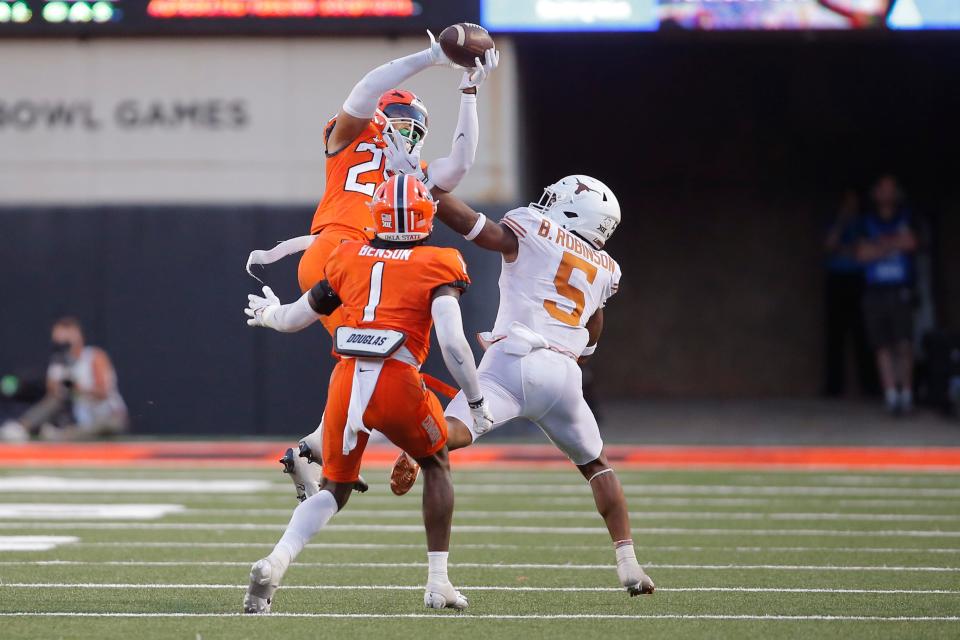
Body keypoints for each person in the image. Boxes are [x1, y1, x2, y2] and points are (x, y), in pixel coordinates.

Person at [385, 139, 654, 596]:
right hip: (565, 376)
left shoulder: (534, 229)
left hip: (513, 361)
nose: (548, 203)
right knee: (598, 467)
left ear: (575, 211)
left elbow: (476, 228)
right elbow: (594, 323)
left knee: (451, 432)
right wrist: (581, 354)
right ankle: (629, 564)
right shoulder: (606, 267)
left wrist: (424, 184)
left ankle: (418, 445)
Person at [243, 31, 499, 500]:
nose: (409, 133)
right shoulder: (352, 138)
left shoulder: (410, 177)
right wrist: (433, 57)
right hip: (346, 255)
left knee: (368, 361)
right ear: (380, 120)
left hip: (364, 262)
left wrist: (468, 92)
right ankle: (338, 452)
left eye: (414, 126)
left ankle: (317, 450)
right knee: (382, 362)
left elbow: (460, 165)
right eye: (400, 122)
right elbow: (366, 88)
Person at [241, 174, 493, 613]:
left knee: (334, 489)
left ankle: (276, 561)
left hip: (347, 379)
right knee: (435, 462)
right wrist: (475, 401)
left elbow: (295, 318)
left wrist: (266, 314)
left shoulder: (346, 254)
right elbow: (453, 343)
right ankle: (438, 583)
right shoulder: (440, 261)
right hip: (398, 379)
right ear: (425, 218)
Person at [0, 317, 127, 442]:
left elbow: (103, 393)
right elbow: (53, 395)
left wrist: (79, 388)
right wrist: (61, 381)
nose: (63, 345)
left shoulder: (94, 356)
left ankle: (62, 435)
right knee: (56, 400)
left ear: (78, 337)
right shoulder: (59, 362)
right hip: (81, 419)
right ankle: (21, 427)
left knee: (103, 425)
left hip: (109, 416)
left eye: (66, 341)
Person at [857, 175, 918, 414]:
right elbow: (861, 255)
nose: (887, 193)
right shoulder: (866, 221)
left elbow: (912, 243)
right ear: (875, 193)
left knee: (904, 343)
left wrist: (879, 247)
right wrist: (894, 244)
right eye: (882, 188)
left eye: (891, 188)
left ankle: (907, 393)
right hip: (875, 290)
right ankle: (891, 395)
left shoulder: (907, 216)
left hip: (900, 288)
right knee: (882, 345)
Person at [822, 189, 874, 397]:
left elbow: (863, 251)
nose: (851, 205)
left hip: (859, 279)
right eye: (847, 201)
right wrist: (842, 220)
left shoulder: (864, 222)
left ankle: (870, 386)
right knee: (835, 334)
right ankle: (833, 387)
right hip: (836, 279)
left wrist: (847, 249)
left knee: (863, 333)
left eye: (854, 201)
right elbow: (829, 245)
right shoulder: (835, 221)